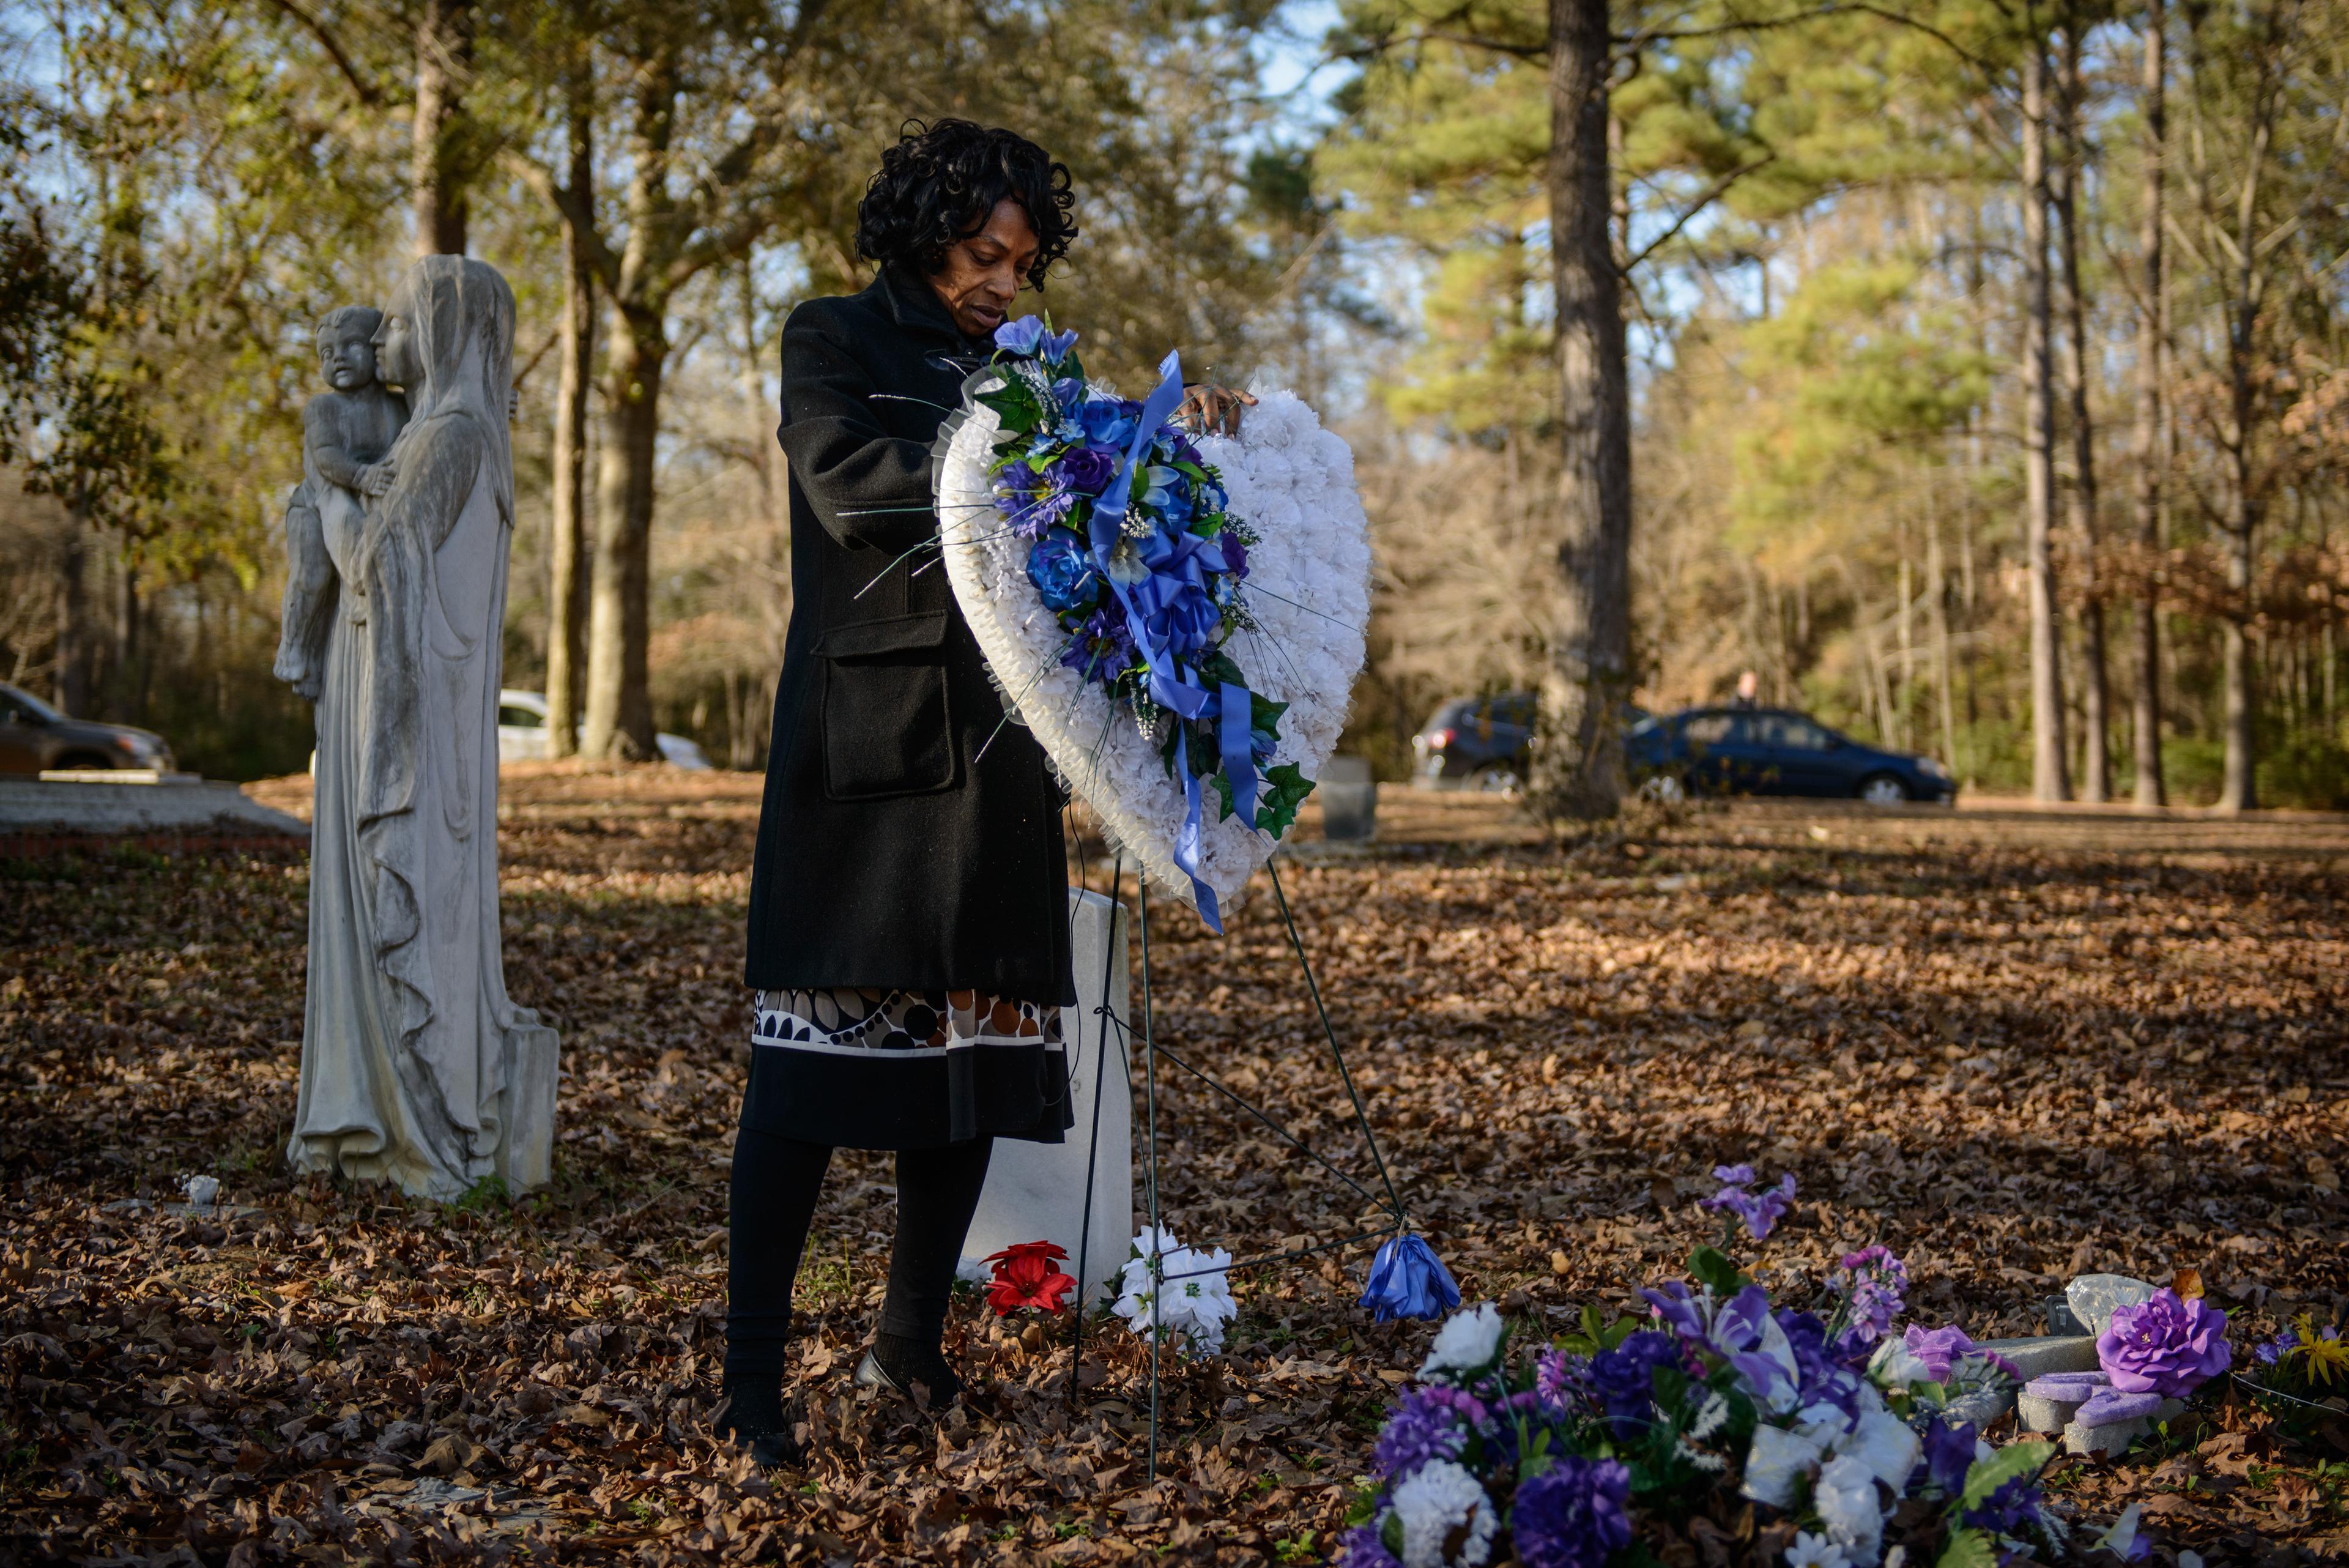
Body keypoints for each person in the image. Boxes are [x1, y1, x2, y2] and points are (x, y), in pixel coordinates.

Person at [722, 119, 1246, 1464]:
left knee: (972, 1070)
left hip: (1003, 755)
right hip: (869, 761)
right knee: (806, 1083)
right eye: (979, 253)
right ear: (918, 235)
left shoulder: (1027, 373)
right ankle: (750, 1386)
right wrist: (1031, 473)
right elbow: (852, 492)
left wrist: (1163, 436)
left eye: (1021, 260)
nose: (1003, 282)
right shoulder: (828, 337)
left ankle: (907, 1346)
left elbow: (1100, 506)